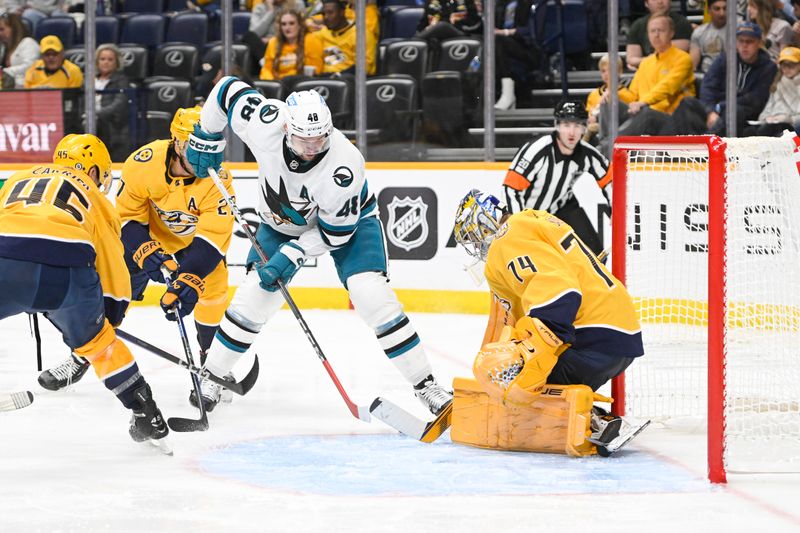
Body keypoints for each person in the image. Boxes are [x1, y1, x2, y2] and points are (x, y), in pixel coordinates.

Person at [184, 78, 453, 415]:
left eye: (319, 138)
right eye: (303, 140)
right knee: (254, 296)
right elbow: (226, 90)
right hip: (280, 222)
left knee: (371, 296)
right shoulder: (265, 120)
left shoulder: (344, 166)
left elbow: (335, 235)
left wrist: (294, 254)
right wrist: (205, 135)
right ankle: (213, 376)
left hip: (349, 226)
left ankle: (426, 385)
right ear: (285, 127)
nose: (312, 147)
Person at [38, 108, 236, 396]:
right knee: (109, 287)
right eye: (195, 148)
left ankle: (213, 366)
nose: (204, 158)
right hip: (149, 240)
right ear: (177, 142)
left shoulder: (219, 179)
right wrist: (146, 251)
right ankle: (84, 353)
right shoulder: (145, 162)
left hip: (194, 249)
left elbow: (214, 238)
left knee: (214, 290)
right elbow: (127, 217)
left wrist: (188, 279)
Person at [0, 134, 169, 445]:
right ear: (92, 172)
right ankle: (147, 413)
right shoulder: (99, 201)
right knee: (100, 344)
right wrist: (109, 316)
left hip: (5, 255)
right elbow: (111, 262)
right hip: (68, 268)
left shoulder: (16, 179)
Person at [452, 190, 645, 451]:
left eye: (475, 236)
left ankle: (586, 419)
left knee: (501, 372)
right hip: (618, 335)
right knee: (508, 361)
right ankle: (590, 413)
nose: (478, 246)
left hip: (591, 339)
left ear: (486, 221)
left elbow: (559, 293)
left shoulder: (507, 237)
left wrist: (531, 367)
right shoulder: (533, 220)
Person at [503, 98, 611, 256]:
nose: (572, 132)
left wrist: (616, 210)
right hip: (529, 215)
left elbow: (610, 180)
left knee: (594, 254)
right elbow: (511, 188)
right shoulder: (538, 150)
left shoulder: (588, 154)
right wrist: (519, 224)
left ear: (584, 127)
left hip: (561, 207)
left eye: (577, 125)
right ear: (557, 125)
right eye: (566, 125)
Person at [661, 21, 777, 135]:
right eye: (741, 41)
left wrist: (720, 108)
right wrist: (710, 111)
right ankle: (671, 147)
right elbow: (708, 87)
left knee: (735, 111)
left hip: (743, 117)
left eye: (749, 42)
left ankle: (708, 142)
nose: (744, 46)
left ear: (759, 43)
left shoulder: (768, 67)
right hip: (714, 112)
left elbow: (755, 99)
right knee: (688, 103)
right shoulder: (725, 59)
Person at [600, 14, 695, 145]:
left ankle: (608, 147)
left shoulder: (683, 59)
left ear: (671, 33)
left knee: (647, 114)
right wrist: (614, 93)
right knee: (608, 102)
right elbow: (633, 95)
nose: (656, 35)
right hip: (642, 112)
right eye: (652, 31)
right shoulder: (646, 63)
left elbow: (667, 87)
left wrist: (643, 102)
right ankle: (605, 143)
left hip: (670, 118)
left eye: (661, 30)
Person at [492, 0, 540, 110]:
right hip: (503, 45)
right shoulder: (502, 5)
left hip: (527, 48)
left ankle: (508, 94)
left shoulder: (532, 3)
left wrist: (506, 32)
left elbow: (533, 31)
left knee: (499, 41)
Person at [746, 45, 800, 135]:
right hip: (773, 121)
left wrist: (788, 118)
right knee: (749, 131)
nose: (787, 68)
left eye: (792, 65)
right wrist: (766, 118)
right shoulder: (777, 83)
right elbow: (769, 107)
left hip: (791, 125)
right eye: (784, 65)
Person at [625, 0, 693, 69]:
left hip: (672, 68)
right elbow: (631, 59)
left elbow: (670, 55)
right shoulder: (638, 25)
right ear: (646, 3)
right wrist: (649, 62)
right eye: (653, 31)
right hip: (646, 69)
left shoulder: (682, 23)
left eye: (662, 30)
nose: (660, 2)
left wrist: (643, 61)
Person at [260, 8, 324, 80]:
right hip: (278, 83)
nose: (287, 28)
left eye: (291, 23)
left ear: (299, 25)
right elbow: (266, 69)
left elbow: (316, 69)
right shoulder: (273, 42)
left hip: (300, 83)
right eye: (283, 24)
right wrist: (272, 83)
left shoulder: (311, 40)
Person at [314, 0, 376, 75]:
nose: (326, 17)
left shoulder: (361, 35)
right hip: (323, 79)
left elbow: (365, 67)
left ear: (342, 13)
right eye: (323, 14)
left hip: (349, 80)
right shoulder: (322, 33)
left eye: (330, 13)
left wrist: (339, 75)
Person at [584, 53, 634, 143]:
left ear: (620, 71)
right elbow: (589, 115)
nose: (606, 74)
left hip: (618, 132)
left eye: (610, 70)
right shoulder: (593, 94)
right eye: (603, 71)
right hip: (595, 134)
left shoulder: (627, 94)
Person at [93, 43, 130, 162]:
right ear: (97, 62)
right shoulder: (89, 79)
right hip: (91, 122)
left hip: (112, 126)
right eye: (102, 59)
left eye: (110, 59)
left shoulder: (122, 80)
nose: (106, 62)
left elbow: (119, 104)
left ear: (117, 62)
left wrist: (98, 113)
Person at [0, 11, 38, 89]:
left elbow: (31, 66)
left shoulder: (28, 43)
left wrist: (7, 72)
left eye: (2, 29)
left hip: (25, 87)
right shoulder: (3, 48)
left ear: (14, 29)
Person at [690, 0, 727, 72]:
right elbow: (692, 65)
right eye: (717, 9)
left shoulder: (738, 31)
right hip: (706, 76)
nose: (722, 13)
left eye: (725, 8)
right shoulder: (699, 33)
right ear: (709, 10)